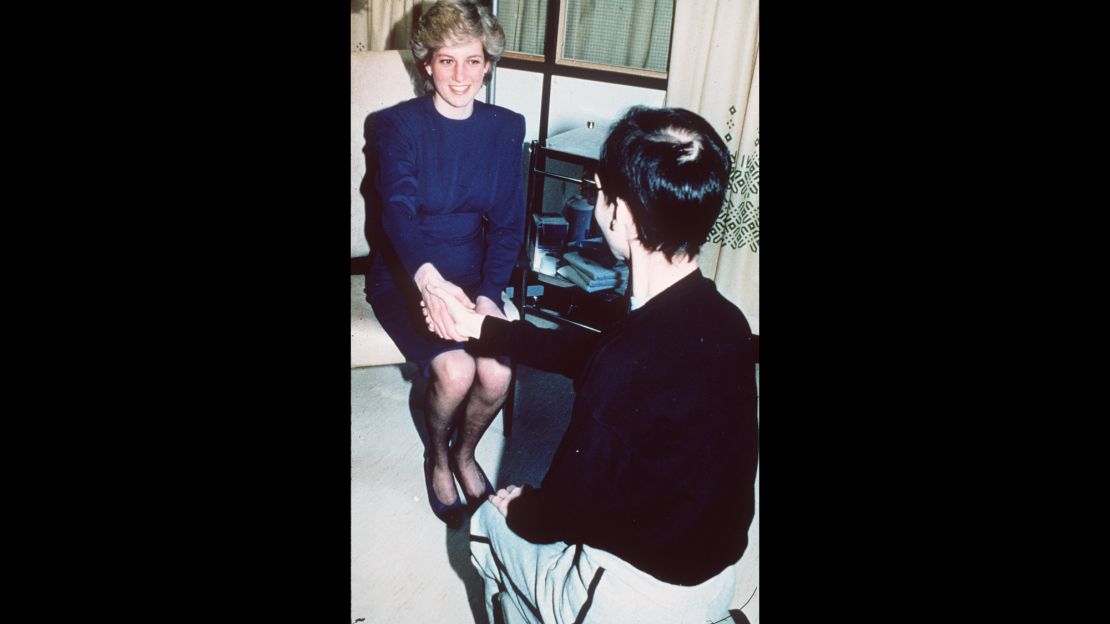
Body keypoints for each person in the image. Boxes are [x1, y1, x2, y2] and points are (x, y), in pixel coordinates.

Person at [426, 106, 759, 623]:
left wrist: (517, 507)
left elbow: (558, 513)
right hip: (714, 583)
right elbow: (593, 355)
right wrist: (484, 329)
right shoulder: (723, 321)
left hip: (639, 598)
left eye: (599, 190)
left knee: (484, 527)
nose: (594, 198)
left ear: (620, 214)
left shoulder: (626, 364)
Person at [365, 0, 525, 528]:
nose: (462, 76)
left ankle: (465, 451)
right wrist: (429, 284)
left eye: (473, 61)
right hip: (407, 272)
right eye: (447, 60)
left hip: (476, 273)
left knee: (498, 372)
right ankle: (437, 453)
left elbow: (506, 225)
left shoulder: (505, 128)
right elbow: (397, 216)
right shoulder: (395, 127)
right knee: (455, 373)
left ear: (489, 63)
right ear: (426, 63)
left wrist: (489, 295)